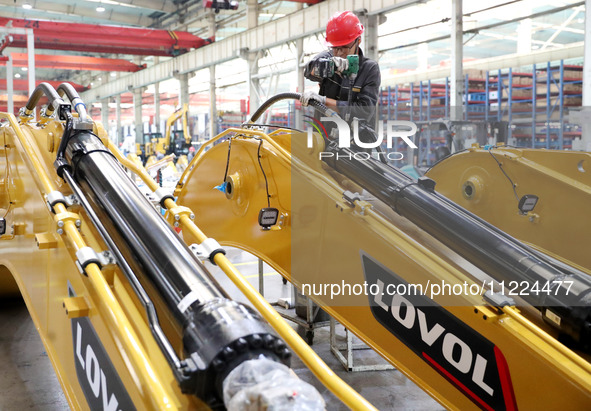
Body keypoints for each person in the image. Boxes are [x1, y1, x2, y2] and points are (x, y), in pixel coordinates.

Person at [302, 11, 381, 142]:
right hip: (324, 139)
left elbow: (363, 111)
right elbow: (309, 70)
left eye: (344, 48)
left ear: (358, 41)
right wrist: (329, 66)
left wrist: (323, 101)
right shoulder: (329, 58)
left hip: (356, 144)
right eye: (335, 48)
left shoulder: (369, 69)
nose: (339, 53)